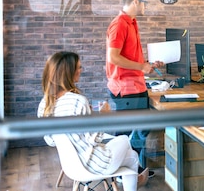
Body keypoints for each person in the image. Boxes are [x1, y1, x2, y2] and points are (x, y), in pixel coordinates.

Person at [37, 52, 146, 190]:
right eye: (78, 67)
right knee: (125, 140)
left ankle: (133, 179)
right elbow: (94, 138)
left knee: (132, 155)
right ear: (68, 72)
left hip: (70, 164)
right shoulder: (78, 101)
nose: (80, 71)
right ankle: (133, 181)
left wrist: (85, 119)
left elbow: (51, 140)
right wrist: (103, 116)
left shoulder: (44, 104)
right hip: (94, 164)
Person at [105, 0, 163, 174]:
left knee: (139, 132)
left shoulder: (132, 22)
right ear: (136, 1)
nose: (146, 6)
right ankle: (119, 173)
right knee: (124, 135)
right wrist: (141, 67)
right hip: (126, 89)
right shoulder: (119, 24)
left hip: (136, 85)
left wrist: (148, 64)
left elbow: (129, 56)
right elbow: (113, 57)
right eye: (144, 2)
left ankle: (133, 170)